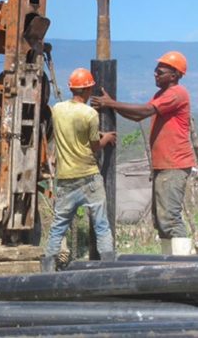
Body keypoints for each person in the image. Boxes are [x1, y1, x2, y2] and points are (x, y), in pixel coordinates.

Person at [91, 51, 196, 255]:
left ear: (174, 75)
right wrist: (112, 104)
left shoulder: (177, 93)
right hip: (164, 165)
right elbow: (137, 116)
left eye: (160, 71)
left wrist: (110, 103)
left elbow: (145, 111)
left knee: (170, 219)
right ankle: (169, 265)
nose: (155, 74)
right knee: (162, 220)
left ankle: (184, 268)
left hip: (173, 164)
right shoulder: (162, 95)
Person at [42, 68, 116, 272]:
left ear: (71, 88)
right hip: (89, 177)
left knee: (59, 225)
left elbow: (70, 133)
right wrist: (107, 138)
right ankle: (109, 270)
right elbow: (94, 146)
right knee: (101, 224)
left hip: (65, 178)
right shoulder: (90, 114)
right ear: (89, 89)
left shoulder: (57, 109)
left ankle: (47, 268)